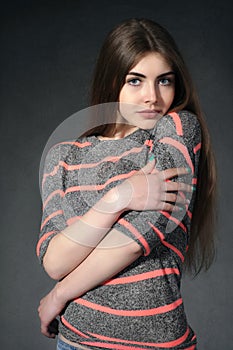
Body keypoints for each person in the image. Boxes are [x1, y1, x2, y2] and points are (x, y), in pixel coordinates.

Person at [37, 18, 217, 349]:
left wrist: (58, 295)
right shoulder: (63, 157)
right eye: (136, 81)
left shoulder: (176, 130)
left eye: (164, 81)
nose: (152, 96)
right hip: (76, 343)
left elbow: (138, 237)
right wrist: (118, 198)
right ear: (112, 81)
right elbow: (55, 260)